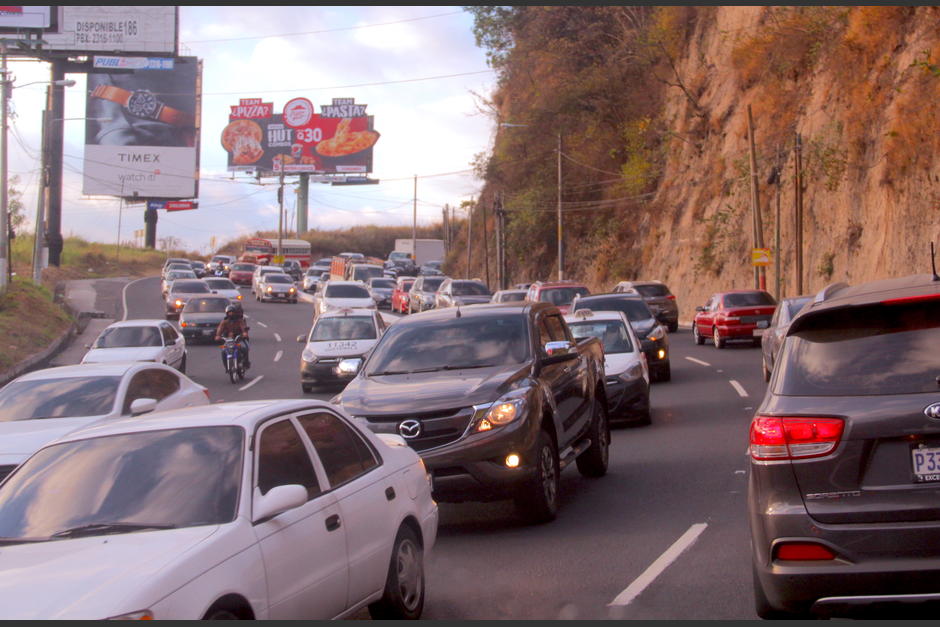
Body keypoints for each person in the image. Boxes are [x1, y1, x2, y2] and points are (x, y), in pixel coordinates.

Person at [214, 304, 251, 369]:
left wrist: (244, 333)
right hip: (228, 340)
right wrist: (218, 335)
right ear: (227, 313)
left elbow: (243, 327)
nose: (231, 314)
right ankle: (226, 367)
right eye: (229, 312)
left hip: (238, 338)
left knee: (245, 349)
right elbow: (220, 328)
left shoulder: (239, 321)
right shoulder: (224, 322)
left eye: (232, 312)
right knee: (223, 352)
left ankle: (245, 363)